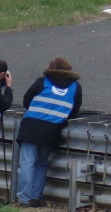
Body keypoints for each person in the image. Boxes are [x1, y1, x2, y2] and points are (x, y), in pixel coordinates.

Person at [16, 58, 82, 208]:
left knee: (27, 163)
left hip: (31, 127)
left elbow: (26, 101)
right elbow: (75, 110)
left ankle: (24, 200)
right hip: (51, 130)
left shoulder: (42, 81)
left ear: (50, 68)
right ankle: (36, 197)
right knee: (41, 163)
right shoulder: (75, 87)